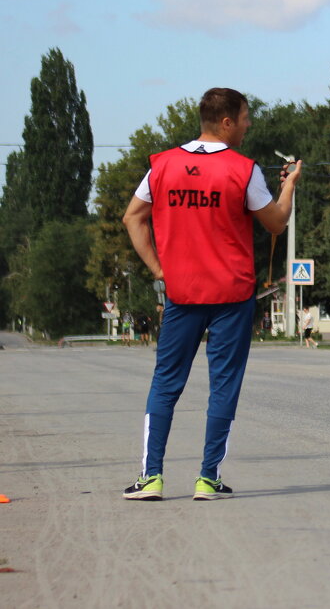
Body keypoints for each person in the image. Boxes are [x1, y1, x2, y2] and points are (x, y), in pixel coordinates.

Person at [121, 87, 300, 501]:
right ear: (226, 122)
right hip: (232, 295)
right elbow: (275, 223)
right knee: (224, 386)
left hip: (183, 294)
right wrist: (289, 185)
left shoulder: (163, 165)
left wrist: (160, 270)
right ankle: (207, 478)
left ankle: (151, 478)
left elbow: (133, 217)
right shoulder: (242, 169)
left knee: (165, 384)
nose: (248, 124)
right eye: (244, 117)